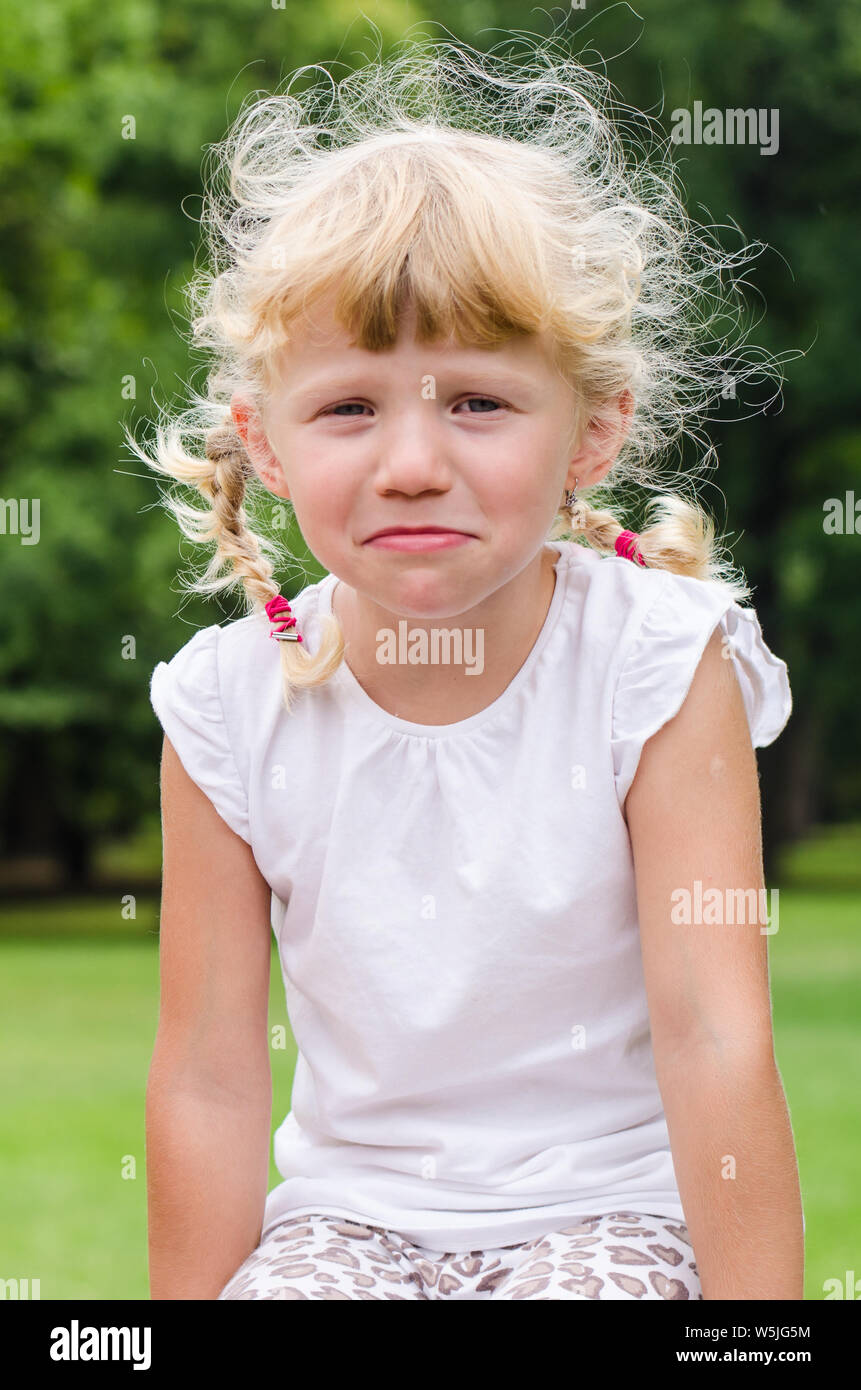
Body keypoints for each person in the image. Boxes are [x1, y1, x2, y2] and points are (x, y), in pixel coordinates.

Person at [132, 31, 805, 1300]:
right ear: (263, 444)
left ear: (593, 427)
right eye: (348, 407)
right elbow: (210, 1074)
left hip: (608, 1213)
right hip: (349, 1230)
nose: (411, 464)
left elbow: (715, 1033)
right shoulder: (226, 707)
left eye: (479, 404)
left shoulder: (658, 665)